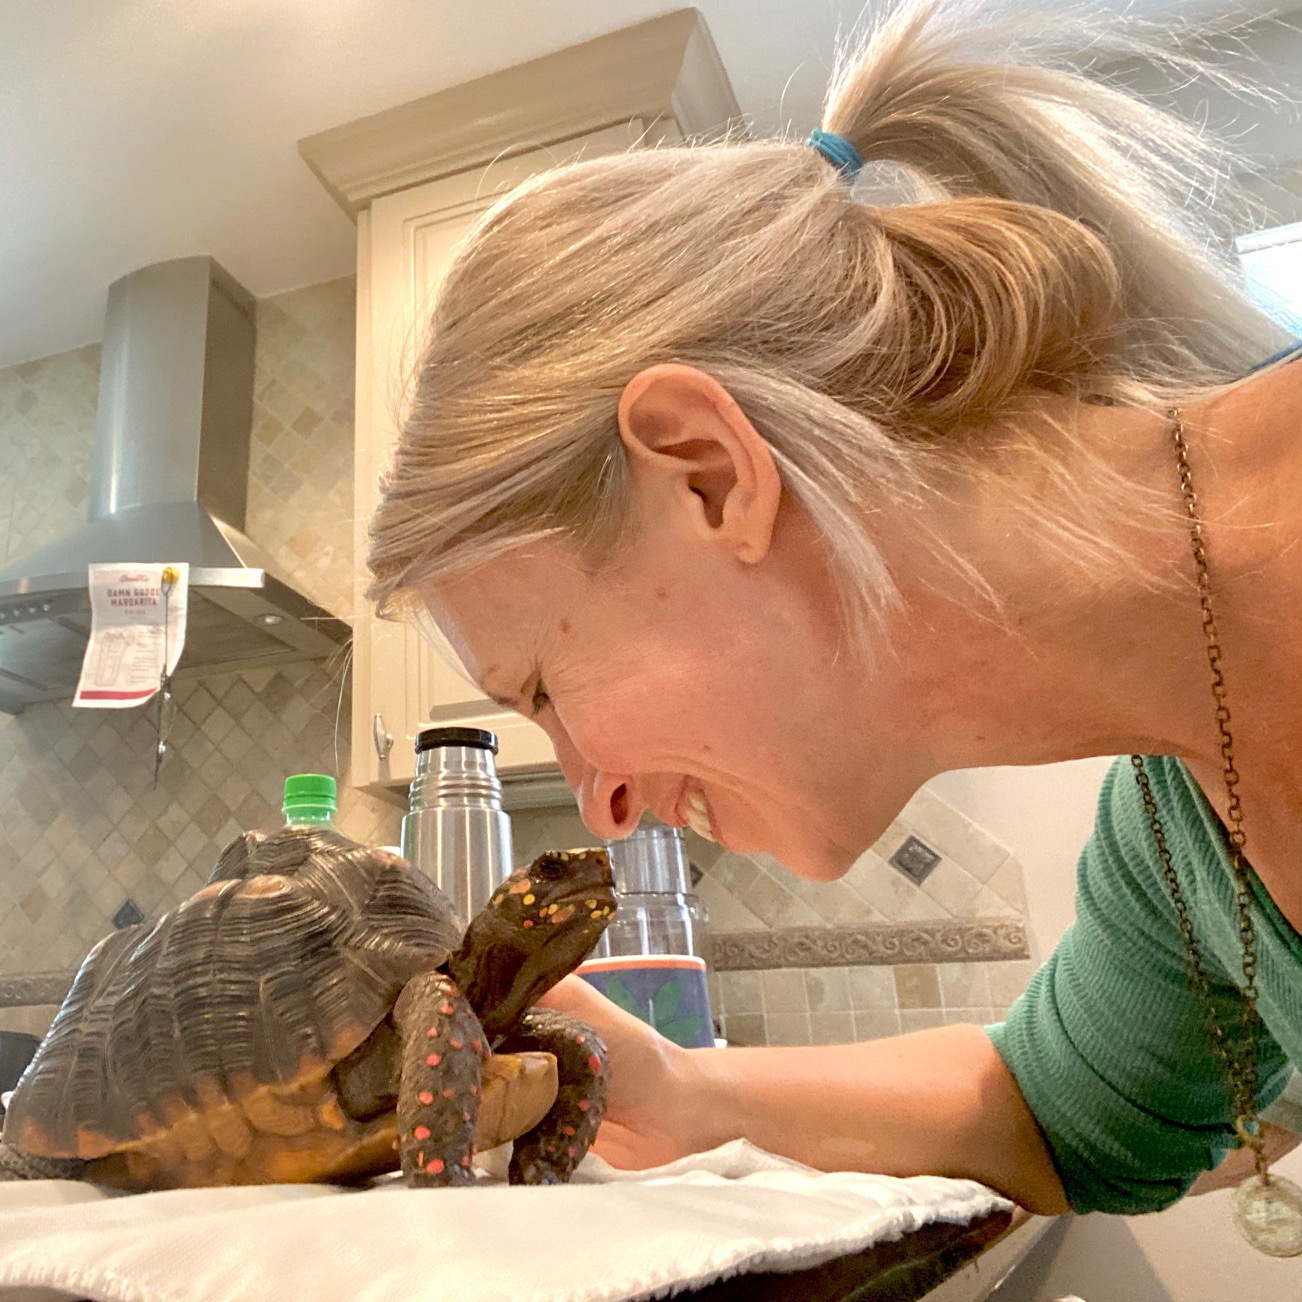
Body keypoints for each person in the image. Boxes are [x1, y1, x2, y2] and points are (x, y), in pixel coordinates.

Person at [365, 0, 1302, 1224]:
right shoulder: (1181, 825)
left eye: (543, 688)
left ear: (708, 473)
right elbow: (1056, 1113)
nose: (601, 805)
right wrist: (681, 1090)